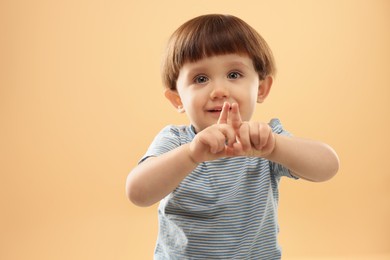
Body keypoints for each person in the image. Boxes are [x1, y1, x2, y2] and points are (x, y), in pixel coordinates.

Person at [126, 14, 339, 259]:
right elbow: (138, 193)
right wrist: (191, 155)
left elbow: (328, 166)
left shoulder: (265, 141)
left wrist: (275, 148)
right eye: (201, 79)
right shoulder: (176, 142)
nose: (219, 90)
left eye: (234, 75)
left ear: (261, 88)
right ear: (177, 98)